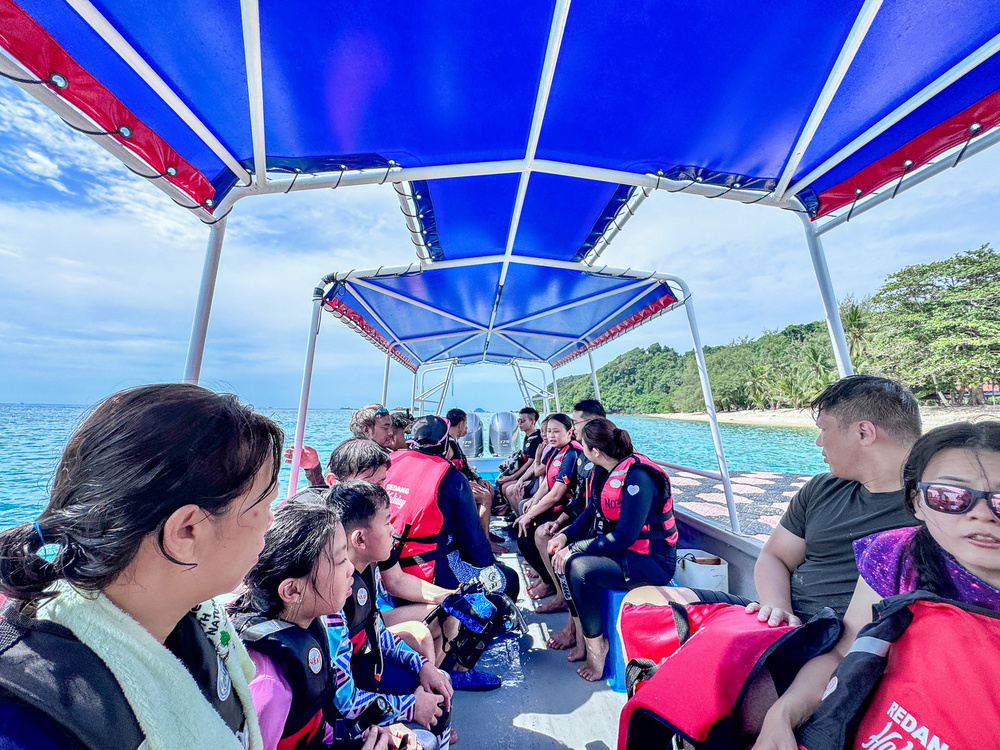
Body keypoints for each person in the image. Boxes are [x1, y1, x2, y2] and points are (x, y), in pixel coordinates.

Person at [0, 383, 282, 750]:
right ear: (187, 530)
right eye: (261, 506)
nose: (270, 522)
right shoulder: (33, 723)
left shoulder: (195, 620)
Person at [754, 421, 1000, 750]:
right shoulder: (898, 555)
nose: (982, 514)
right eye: (949, 497)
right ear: (917, 503)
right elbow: (845, 652)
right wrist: (780, 716)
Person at [628, 376, 923, 623]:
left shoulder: (937, 511)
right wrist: (778, 609)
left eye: (823, 430)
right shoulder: (823, 488)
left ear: (863, 432)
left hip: (845, 644)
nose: (819, 441)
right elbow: (775, 557)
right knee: (643, 604)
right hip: (781, 619)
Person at [232, 495, 406, 750]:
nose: (351, 570)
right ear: (292, 591)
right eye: (339, 561)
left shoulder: (311, 625)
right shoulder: (269, 690)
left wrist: (365, 732)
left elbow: (314, 726)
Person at [384, 416, 520, 690]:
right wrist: (489, 563)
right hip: (427, 569)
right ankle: (461, 668)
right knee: (505, 583)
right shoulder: (451, 477)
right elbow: (473, 547)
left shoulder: (391, 462)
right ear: (445, 444)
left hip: (390, 564)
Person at [325, 482, 453, 749]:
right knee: (433, 718)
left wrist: (423, 665)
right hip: (343, 718)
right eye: (387, 523)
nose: (394, 532)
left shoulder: (366, 571)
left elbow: (378, 633)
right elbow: (343, 702)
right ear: (360, 540)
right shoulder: (332, 601)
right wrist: (410, 707)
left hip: (368, 672)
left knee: (439, 689)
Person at [548, 419, 677, 681]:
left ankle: (598, 649)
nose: (579, 447)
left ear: (595, 451)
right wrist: (565, 536)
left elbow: (624, 536)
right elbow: (591, 512)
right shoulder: (603, 471)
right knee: (564, 556)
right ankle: (580, 635)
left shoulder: (638, 477)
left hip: (652, 562)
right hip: (625, 553)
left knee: (578, 567)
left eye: (582, 443)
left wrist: (576, 548)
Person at [514, 413, 584, 613]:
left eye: (556, 431)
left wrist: (531, 514)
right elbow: (546, 482)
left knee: (538, 532)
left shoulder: (571, 454)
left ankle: (561, 595)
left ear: (570, 432)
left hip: (567, 511)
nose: (551, 436)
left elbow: (557, 494)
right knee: (522, 534)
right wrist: (533, 503)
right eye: (549, 431)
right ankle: (547, 579)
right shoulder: (555, 451)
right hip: (554, 507)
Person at [444, 409, 501, 554]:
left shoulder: (455, 442)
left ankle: (485, 530)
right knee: (485, 496)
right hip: (455, 487)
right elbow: (444, 469)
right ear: (461, 423)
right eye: (466, 424)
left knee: (489, 489)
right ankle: (485, 542)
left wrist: (478, 479)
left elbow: (464, 464)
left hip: (464, 483)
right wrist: (466, 484)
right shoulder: (447, 444)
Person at [496, 408, 542, 506]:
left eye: (522, 421)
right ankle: (509, 507)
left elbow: (531, 462)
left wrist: (512, 477)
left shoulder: (537, 439)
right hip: (523, 474)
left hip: (531, 476)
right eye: (518, 421)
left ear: (532, 422)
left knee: (506, 487)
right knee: (500, 482)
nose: (519, 423)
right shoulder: (528, 437)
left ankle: (519, 514)